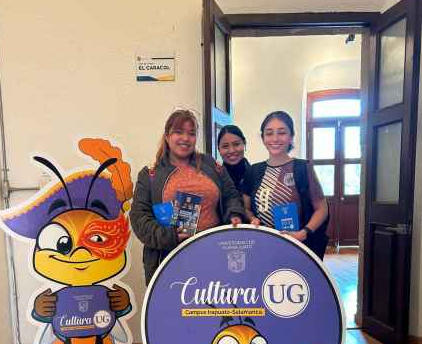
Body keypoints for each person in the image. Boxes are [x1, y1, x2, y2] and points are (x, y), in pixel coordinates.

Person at [130, 109, 245, 284]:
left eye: (191, 133)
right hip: (171, 259)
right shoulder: (150, 174)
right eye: (178, 132)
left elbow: (231, 195)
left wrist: (234, 214)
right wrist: (170, 236)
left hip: (215, 254)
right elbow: (139, 218)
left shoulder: (210, 164)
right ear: (167, 136)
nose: (185, 138)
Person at [243, 110, 329, 260]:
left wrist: (304, 233)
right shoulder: (253, 171)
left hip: (296, 248)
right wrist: (252, 219)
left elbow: (322, 208)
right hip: (262, 248)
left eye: (282, 133)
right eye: (269, 133)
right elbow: (246, 208)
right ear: (263, 138)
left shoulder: (302, 168)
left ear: (291, 137)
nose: (275, 138)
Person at [217, 125, 249, 192]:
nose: (231, 151)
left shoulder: (256, 176)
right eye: (225, 146)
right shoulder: (213, 178)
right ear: (219, 149)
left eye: (236, 144)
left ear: (244, 143)